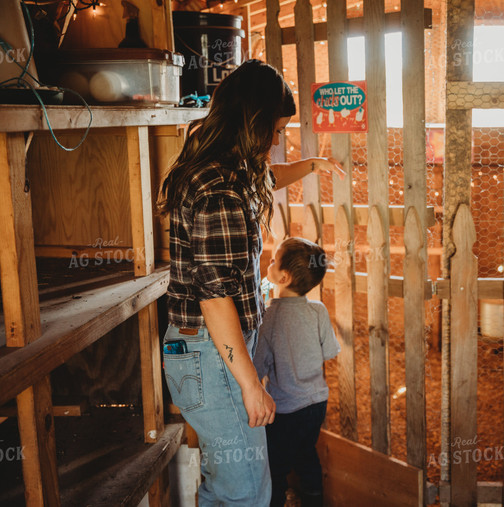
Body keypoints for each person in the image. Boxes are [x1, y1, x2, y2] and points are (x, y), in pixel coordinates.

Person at [156, 60, 344, 506]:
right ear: (252, 123)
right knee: (245, 491)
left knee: (235, 486)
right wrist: (249, 385)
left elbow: (268, 178)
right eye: (275, 130)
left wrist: (312, 165)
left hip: (212, 349)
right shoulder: (218, 190)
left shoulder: (230, 169)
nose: (277, 141)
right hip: (209, 349)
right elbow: (215, 298)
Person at [253, 237, 341, 507]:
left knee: (276, 466)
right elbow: (330, 352)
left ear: (284, 276)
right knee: (306, 456)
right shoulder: (318, 310)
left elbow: (257, 368)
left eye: (273, 260)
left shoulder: (269, 317)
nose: (268, 262)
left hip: (286, 410)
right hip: (317, 404)